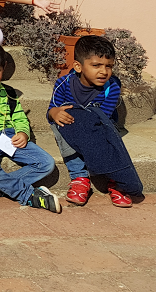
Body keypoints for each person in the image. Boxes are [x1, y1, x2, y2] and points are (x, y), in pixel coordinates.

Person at [0, 37, 61, 213]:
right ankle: (28, 195)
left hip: (7, 137)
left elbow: (19, 116)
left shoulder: (8, 92)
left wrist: (23, 133)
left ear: (4, 68)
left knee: (46, 163)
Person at [48, 35, 143, 207]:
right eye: (96, 65)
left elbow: (103, 117)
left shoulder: (112, 87)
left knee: (109, 141)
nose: (104, 71)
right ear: (78, 66)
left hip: (101, 127)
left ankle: (116, 181)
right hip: (73, 126)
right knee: (59, 124)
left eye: (109, 66)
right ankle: (79, 177)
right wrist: (54, 112)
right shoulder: (63, 83)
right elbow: (52, 111)